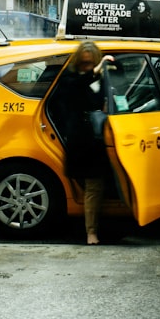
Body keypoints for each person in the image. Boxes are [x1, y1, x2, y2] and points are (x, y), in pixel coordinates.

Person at [49, 41, 113, 245]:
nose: (87, 67)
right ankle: (91, 231)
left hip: (97, 137)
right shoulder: (71, 78)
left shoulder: (100, 77)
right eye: (84, 64)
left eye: (90, 63)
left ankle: (90, 227)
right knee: (93, 186)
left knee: (94, 186)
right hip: (81, 138)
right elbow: (73, 89)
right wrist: (94, 71)